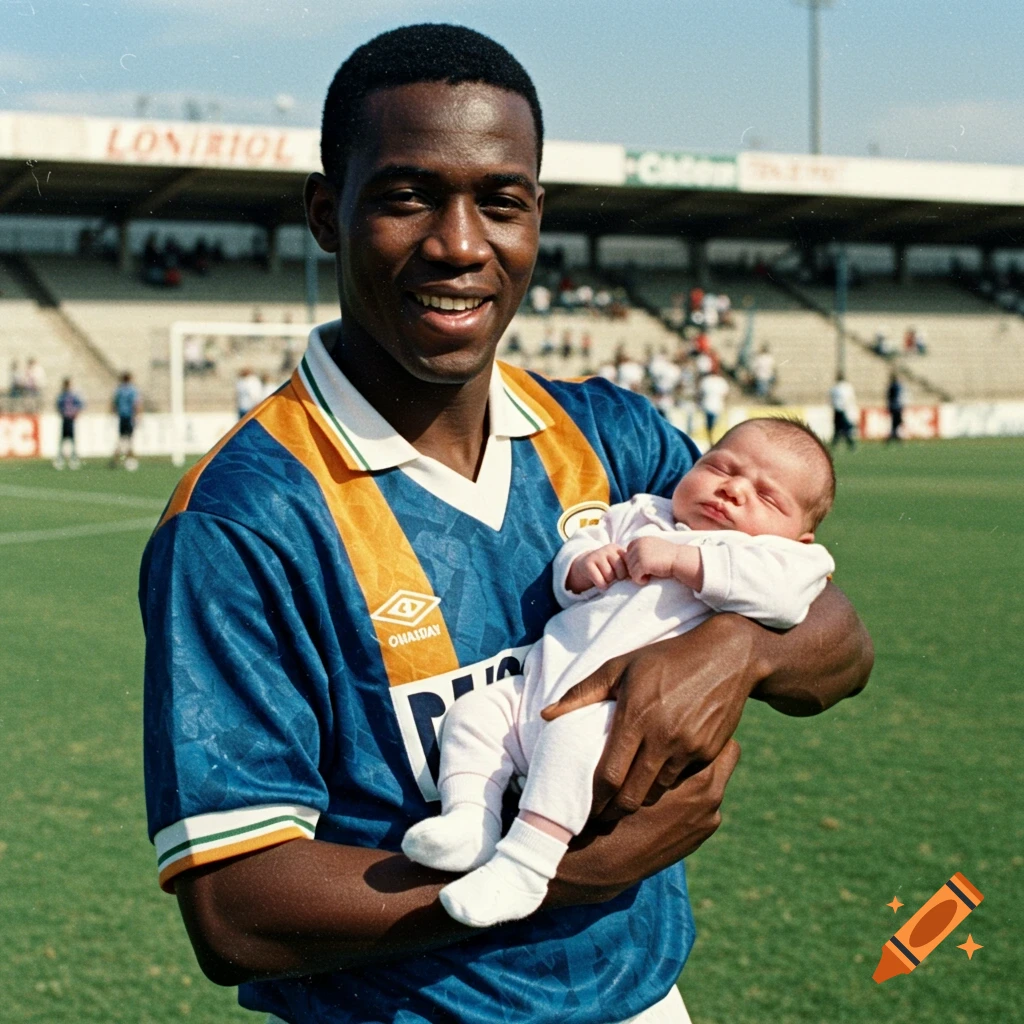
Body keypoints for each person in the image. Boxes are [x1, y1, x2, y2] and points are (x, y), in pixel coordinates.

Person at [141, 25, 872, 1024]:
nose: (459, 242)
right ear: (326, 212)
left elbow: (839, 642)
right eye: (407, 195)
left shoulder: (614, 434)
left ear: (536, 217)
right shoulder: (243, 517)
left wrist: (733, 649)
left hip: (646, 998)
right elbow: (236, 913)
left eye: (500, 200)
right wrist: (565, 869)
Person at [404, 419, 836, 927]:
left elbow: (784, 601)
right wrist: (582, 566)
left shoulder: (776, 556)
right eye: (719, 466)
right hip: (537, 689)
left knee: (570, 739)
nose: (733, 489)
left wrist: (683, 562)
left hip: (611, 717)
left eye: (767, 496)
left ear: (801, 536)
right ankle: (470, 820)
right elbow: (580, 546)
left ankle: (525, 865)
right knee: (476, 713)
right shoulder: (642, 512)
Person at [111, 371, 141, 470]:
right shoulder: (132, 390)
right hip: (129, 416)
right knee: (130, 439)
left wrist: (114, 412)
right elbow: (135, 404)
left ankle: (115, 459)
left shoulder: (119, 390)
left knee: (121, 439)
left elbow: (114, 403)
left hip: (121, 417)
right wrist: (138, 415)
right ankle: (130, 460)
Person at [54, 378, 84, 470]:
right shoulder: (67, 395)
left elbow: (80, 405)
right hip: (67, 419)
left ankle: (70, 459)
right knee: (66, 440)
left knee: (69, 440)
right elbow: (58, 406)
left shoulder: (66, 395)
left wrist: (75, 413)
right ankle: (64, 459)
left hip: (69, 419)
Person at [698, 369, 729, 440]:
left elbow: (700, 393)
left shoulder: (707, 381)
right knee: (712, 424)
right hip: (713, 405)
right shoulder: (718, 381)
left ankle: (711, 437)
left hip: (710, 405)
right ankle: (710, 438)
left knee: (711, 424)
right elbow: (725, 394)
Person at [829, 372, 858, 450]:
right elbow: (851, 399)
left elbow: (831, 399)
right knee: (844, 428)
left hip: (837, 410)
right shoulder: (847, 387)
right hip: (845, 409)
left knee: (838, 427)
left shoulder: (834, 387)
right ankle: (850, 444)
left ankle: (836, 444)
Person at [886, 371, 905, 443]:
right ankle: (894, 437)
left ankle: (893, 437)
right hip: (896, 407)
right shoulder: (896, 386)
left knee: (895, 423)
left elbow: (889, 397)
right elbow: (897, 398)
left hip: (894, 407)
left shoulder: (892, 386)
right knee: (897, 422)